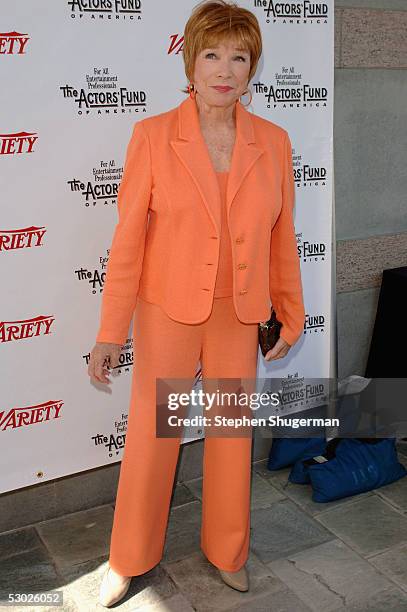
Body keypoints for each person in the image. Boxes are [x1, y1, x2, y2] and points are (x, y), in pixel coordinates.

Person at [88, 0, 306, 606]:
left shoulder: (275, 141)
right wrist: (111, 331)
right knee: (154, 440)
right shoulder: (153, 137)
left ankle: (228, 550)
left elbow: (281, 237)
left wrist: (291, 309)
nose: (225, 69)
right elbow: (127, 242)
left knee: (232, 434)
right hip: (168, 313)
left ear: (251, 69)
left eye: (239, 56)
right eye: (212, 53)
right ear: (190, 61)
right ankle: (128, 558)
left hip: (240, 314)